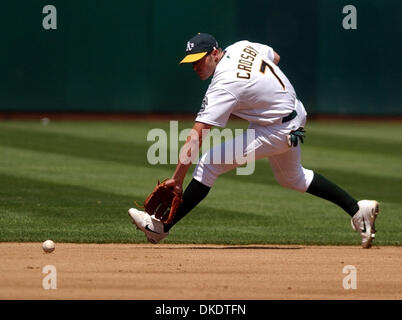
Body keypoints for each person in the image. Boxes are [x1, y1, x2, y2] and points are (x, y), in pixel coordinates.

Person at [128, 33, 379, 248]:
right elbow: (275, 57)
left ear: (215, 53)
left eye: (200, 60)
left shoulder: (224, 84)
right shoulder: (241, 46)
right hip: (294, 113)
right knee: (292, 178)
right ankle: (358, 210)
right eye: (191, 63)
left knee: (209, 164)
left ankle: (161, 227)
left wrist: (178, 179)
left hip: (278, 129)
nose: (196, 67)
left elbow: (197, 134)